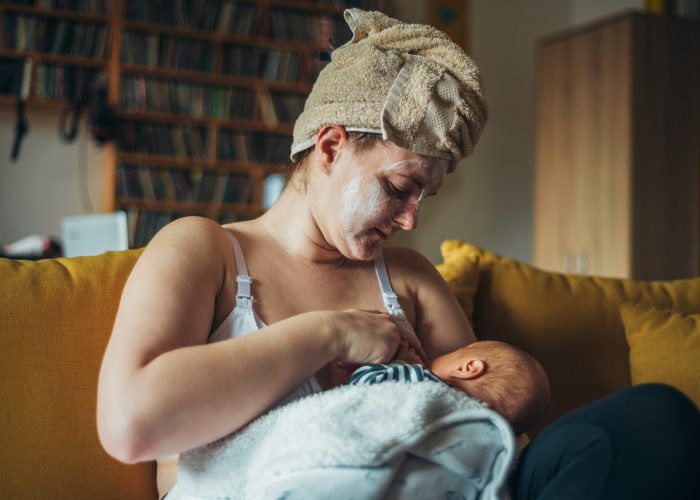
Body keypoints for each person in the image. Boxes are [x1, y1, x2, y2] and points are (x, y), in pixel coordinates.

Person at [97, 8, 700, 500]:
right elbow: (130, 425)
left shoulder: (406, 276)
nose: (412, 218)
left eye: (425, 197)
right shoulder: (205, 250)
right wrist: (331, 334)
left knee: (658, 418)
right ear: (331, 146)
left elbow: (485, 421)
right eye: (398, 187)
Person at [350, 339, 551, 436]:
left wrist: (401, 363)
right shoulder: (466, 433)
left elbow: (361, 387)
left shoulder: (421, 382)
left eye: (458, 350)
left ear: (467, 368)